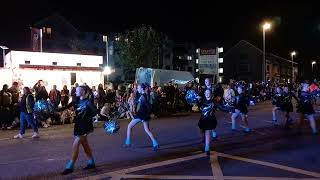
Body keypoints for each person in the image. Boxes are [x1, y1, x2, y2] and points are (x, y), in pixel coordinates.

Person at [62, 86, 98, 175]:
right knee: (85, 145)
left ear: (84, 92)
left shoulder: (88, 103)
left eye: (78, 90)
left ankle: (70, 166)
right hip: (78, 125)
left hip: (85, 126)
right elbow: (66, 107)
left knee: (75, 144)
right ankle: (91, 162)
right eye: (76, 90)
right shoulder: (76, 101)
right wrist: (53, 110)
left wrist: (88, 115)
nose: (76, 91)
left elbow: (95, 112)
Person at [123, 83, 159, 151]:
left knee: (129, 126)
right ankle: (155, 143)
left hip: (141, 114)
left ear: (142, 89)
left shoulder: (143, 96)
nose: (137, 89)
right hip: (144, 115)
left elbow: (145, 105)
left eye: (138, 88)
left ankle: (128, 142)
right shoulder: (144, 95)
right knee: (147, 130)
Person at [197, 89, 228, 155]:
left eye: (209, 93)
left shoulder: (214, 102)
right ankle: (204, 140)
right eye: (206, 93)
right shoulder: (202, 101)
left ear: (211, 95)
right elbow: (198, 107)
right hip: (203, 119)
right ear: (204, 94)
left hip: (210, 119)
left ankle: (207, 148)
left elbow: (222, 108)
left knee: (207, 133)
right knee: (202, 131)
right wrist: (196, 105)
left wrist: (229, 108)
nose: (207, 94)